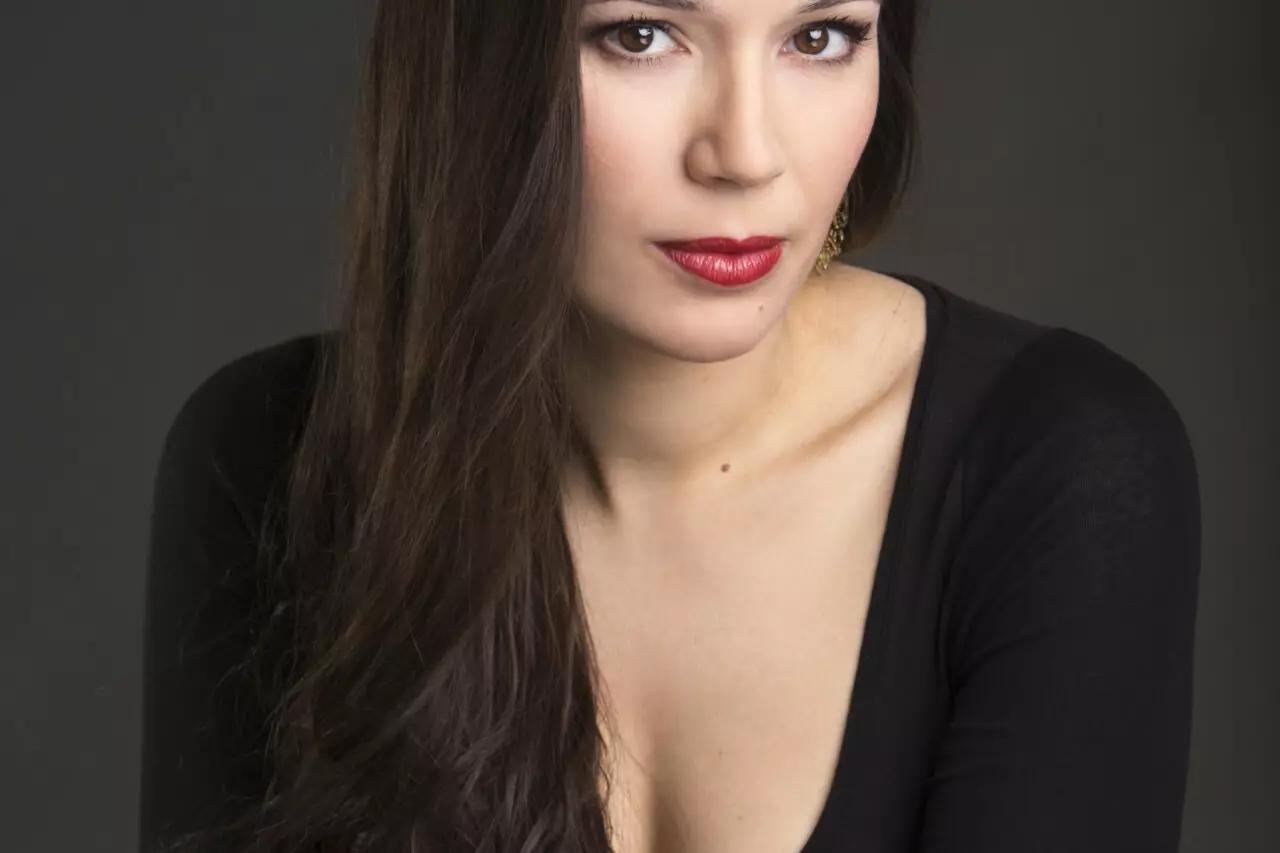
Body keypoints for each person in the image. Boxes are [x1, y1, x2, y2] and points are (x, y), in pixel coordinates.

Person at [138, 1, 1202, 851]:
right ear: (476, 57)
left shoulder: (1058, 467)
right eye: (642, 35)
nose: (744, 152)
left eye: (820, 37)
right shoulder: (273, 455)